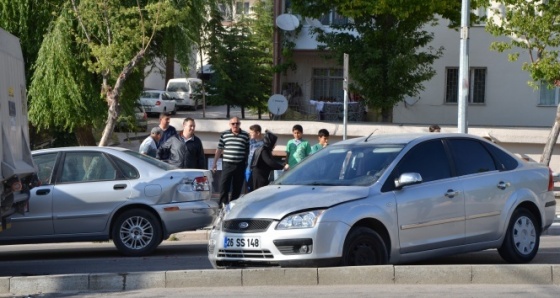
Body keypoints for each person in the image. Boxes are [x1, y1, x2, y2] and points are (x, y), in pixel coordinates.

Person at [211, 117, 250, 206]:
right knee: (224, 185)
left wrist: (247, 164)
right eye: (233, 123)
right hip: (227, 164)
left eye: (237, 123)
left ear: (240, 124)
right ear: (230, 124)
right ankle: (223, 205)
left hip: (239, 164)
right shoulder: (224, 134)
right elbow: (219, 149)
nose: (235, 125)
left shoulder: (245, 135)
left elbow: (247, 150)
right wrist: (214, 163)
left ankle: (233, 205)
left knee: (237, 186)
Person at [245, 124, 264, 192]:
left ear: (258, 133)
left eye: (251, 132)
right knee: (248, 186)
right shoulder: (250, 142)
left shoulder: (263, 143)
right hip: (249, 168)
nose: (250, 134)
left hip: (258, 169)